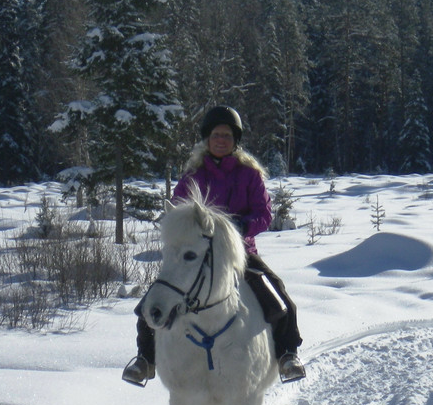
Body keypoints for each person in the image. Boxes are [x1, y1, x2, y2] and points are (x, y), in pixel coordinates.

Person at [123, 105, 306, 386]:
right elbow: (179, 211)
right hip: (196, 256)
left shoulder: (250, 174)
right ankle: (145, 359)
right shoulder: (193, 175)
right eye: (216, 135)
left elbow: (264, 213)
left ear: (235, 141)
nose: (221, 140)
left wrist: (242, 227)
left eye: (227, 135)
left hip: (238, 254)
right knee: (153, 300)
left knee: (278, 297)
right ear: (207, 139)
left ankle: (287, 355)